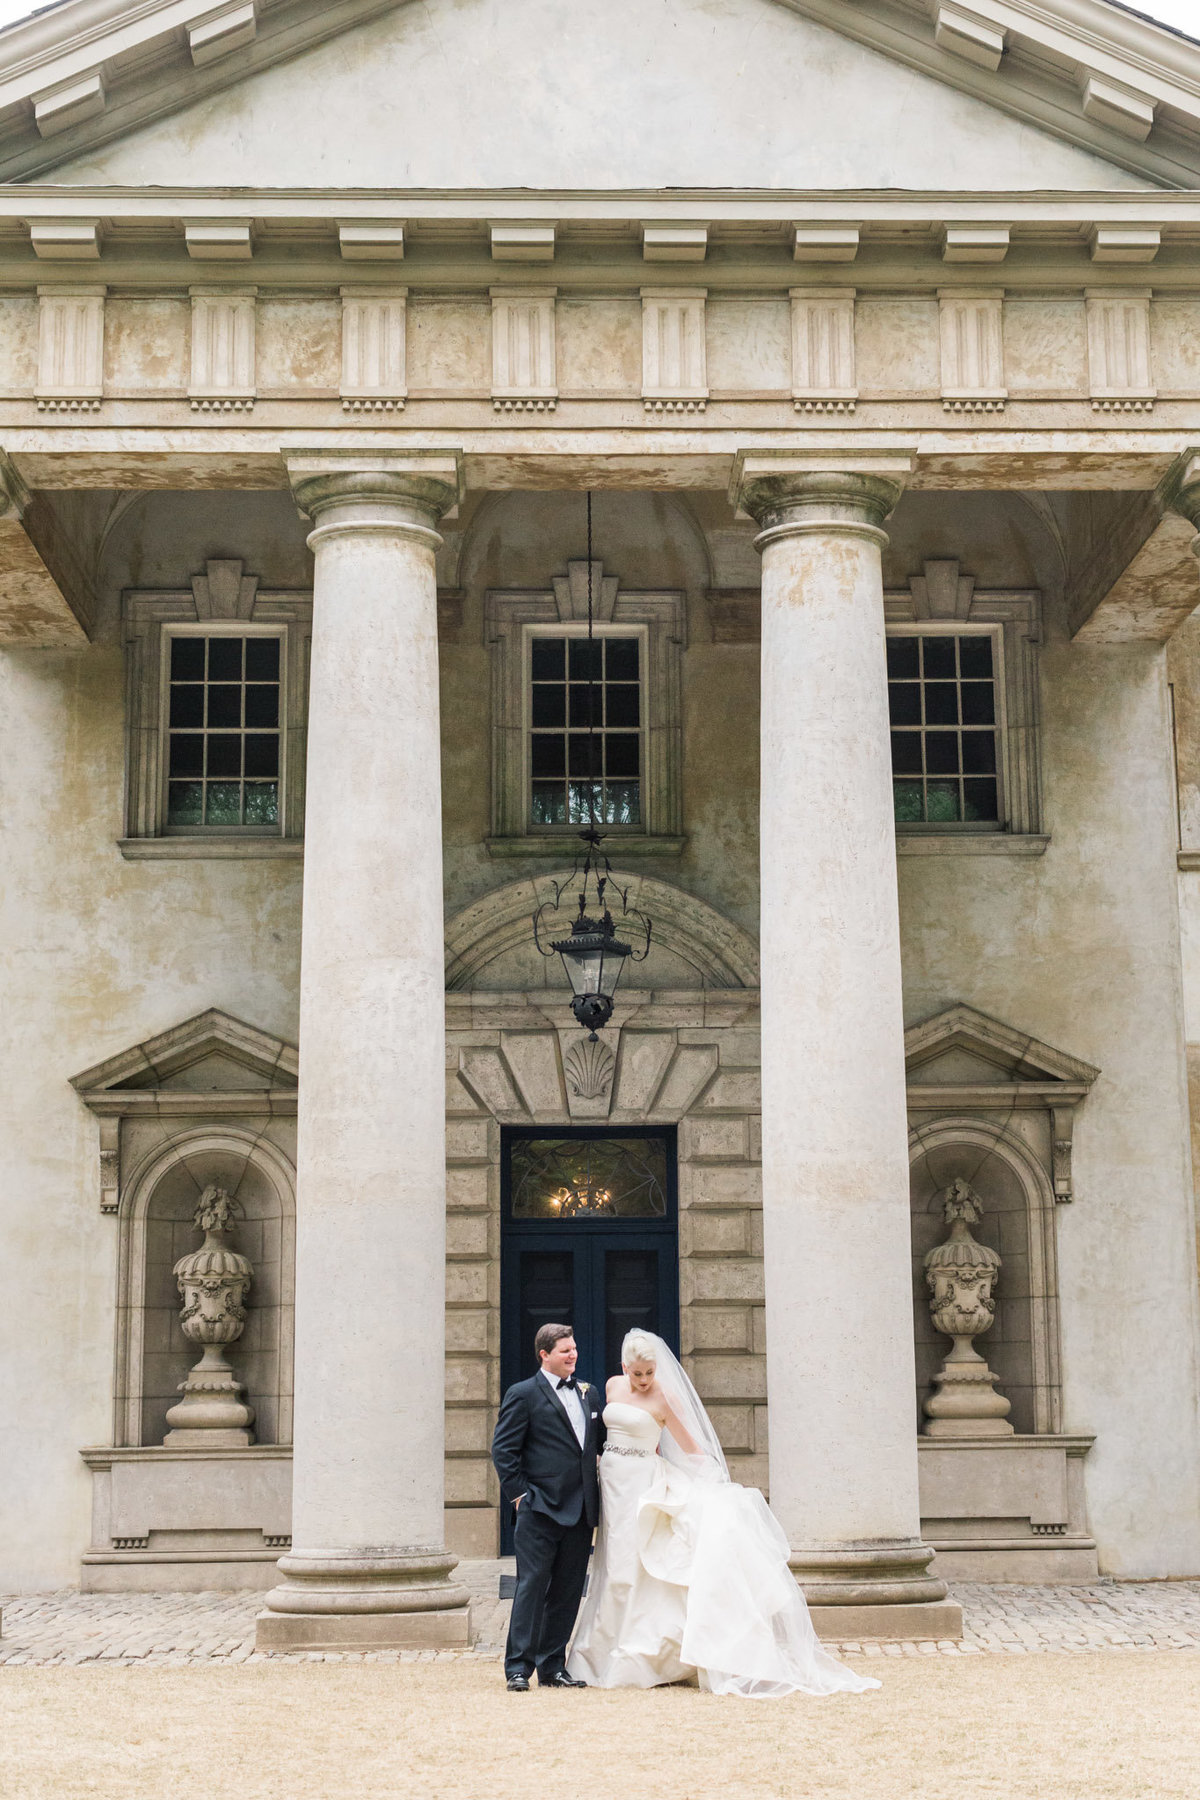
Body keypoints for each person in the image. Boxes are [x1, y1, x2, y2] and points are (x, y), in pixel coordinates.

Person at [567, 1329, 880, 1698]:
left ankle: (646, 1655)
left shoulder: (664, 1397)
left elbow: (691, 1447)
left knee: (635, 1563)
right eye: (638, 1373)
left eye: (650, 1372)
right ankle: (601, 1652)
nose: (644, 1380)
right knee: (611, 1562)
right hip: (613, 1487)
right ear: (624, 1367)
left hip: (643, 1486)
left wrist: (716, 1484)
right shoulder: (613, 1387)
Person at [490, 1322, 605, 1691]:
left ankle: (553, 1667)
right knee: (531, 1587)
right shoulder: (522, 1393)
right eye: (564, 1351)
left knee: (568, 1592)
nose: (573, 1355)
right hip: (539, 1509)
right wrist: (522, 1497)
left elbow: (599, 1447)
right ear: (544, 1354)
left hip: (581, 1510)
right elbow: (503, 1451)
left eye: (573, 1349)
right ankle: (518, 1669)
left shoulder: (590, 1394)